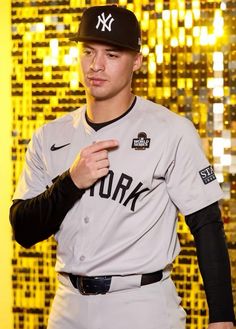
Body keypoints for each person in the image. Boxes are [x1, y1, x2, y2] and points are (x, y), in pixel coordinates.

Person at [10, 5, 235, 329]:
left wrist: (222, 317)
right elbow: (23, 229)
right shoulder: (49, 136)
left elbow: (207, 223)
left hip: (143, 305)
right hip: (68, 307)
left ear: (137, 61)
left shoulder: (172, 130)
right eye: (88, 51)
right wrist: (71, 182)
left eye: (112, 55)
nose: (96, 65)